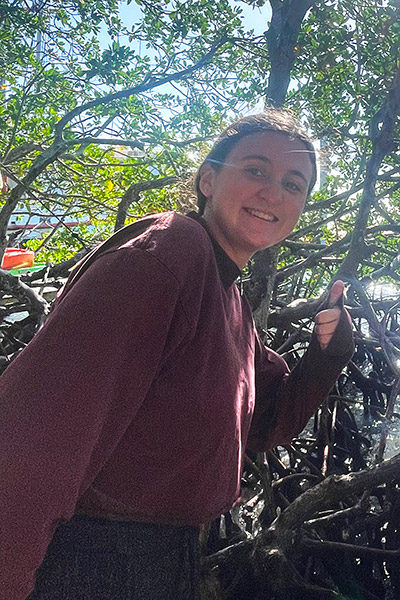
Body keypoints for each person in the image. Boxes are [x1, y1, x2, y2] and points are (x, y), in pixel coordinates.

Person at [0, 109, 354, 600]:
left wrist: (328, 353)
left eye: (294, 184)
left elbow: (263, 425)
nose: (274, 193)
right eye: (255, 170)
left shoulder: (230, 299)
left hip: (170, 554)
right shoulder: (171, 250)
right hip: (93, 560)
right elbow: (36, 432)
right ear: (208, 178)